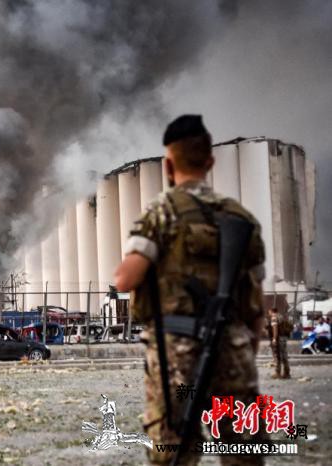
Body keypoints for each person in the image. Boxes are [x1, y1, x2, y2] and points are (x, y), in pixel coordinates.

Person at [114, 115, 267, 465]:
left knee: (174, 448)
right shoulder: (242, 218)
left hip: (177, 353)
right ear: (210, 161)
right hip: (232, 347)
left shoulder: (162, 212)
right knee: (242, 449)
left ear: (168, 164)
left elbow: (125, 279)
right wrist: (243, 347)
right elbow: (254, 301)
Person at [266, 307, 290, 379]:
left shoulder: (274, 318)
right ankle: (287, 373)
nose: (269, 314)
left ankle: (278, 373)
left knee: (278, 356)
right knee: (284, 355)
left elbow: (275, 328)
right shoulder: (281, 316)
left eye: (269, 312)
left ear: (271, 311)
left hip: (278, 338)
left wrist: (274, 338)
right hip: (284, 338)